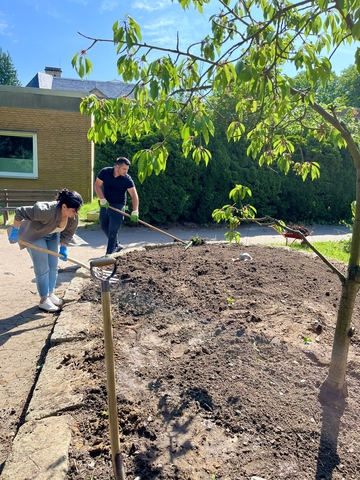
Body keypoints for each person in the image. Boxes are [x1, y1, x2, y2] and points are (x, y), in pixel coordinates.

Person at [8, 188, 83, 312]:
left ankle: (50, 294)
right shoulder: (45, 210)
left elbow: (68, 234)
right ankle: (43, 300)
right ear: (64, 206)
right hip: (35, 235)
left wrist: (63, 248)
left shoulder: (73, 218)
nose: (76, 214)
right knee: (42, 268)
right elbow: (20, 211)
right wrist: (15, 231)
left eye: (77, 211)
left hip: (53, 235)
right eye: (74, 210)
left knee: (53, 266)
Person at [94, 156, 139, 255]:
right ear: (117, 166)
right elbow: (97, 185)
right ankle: (117, 245)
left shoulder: (127, 179)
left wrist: (135, 211)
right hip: (105, 203)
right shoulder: (105, 172)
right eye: (124, 169)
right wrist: (102, 198)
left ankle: (109, 254)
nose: (126, 171)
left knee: (113, 229)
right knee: (103, 226)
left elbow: (134, 195)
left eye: (127, 169)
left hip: (119, 204)